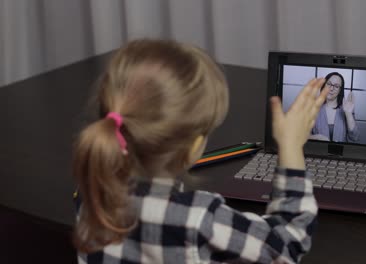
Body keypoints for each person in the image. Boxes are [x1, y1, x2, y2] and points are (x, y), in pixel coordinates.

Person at [73, 39, 329, 263]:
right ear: (194, 146)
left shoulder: (89, 197)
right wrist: (291, 147)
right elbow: (287, 244)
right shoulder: (198, 218)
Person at [310, 72, 359, 143]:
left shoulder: (346, 108)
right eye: (329, 84)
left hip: (341, 153)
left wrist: (348, 114)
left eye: (336, 86)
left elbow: (355, 137)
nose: (331, 88)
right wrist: (317, 137)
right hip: (318, 152)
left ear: (340, 90)